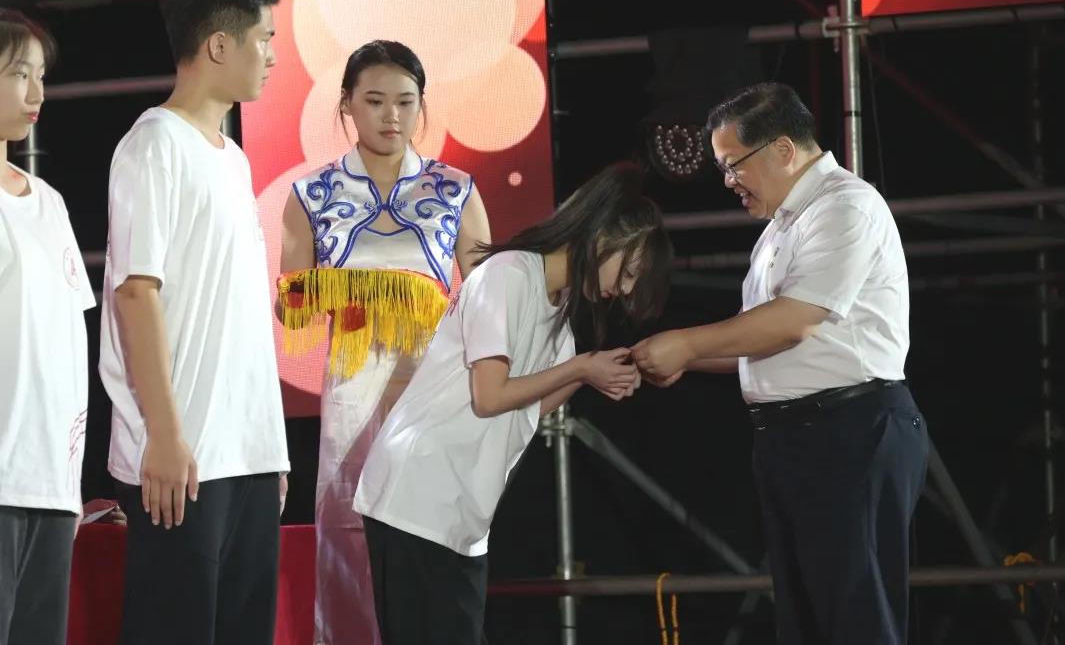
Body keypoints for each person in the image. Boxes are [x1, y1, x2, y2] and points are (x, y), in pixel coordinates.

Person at [632, 82, 928, 645]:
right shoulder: (779, 230)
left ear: (784, 149)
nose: (728, 181)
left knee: (853, 617)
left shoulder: (844, 206)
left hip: (850, 428)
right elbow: (762, 338)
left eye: (732, 164)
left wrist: (688, 344)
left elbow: (795, 320)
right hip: (795, 438)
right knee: (807, 618)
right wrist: (685, 361)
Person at [354, 162, 673, 645]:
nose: (624, 290)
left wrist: (597, 371)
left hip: (461, 512)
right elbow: (491, 396)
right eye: (627, 272)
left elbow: (529, 409)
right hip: (417, 495)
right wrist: (581, 368)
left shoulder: (561, 319)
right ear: (600, 234)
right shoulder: (507, 275)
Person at [98, 0, 291, 645]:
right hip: (182, 458)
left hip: (246, 455)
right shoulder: (154, 145)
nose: (272, 55)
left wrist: (269, 446)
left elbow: (238, 316)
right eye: (264, 39)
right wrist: (164, 433)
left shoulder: (232, 158)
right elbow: (136, 292)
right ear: (218, 45)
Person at [277, 39, 491, 644]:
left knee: (437, 534)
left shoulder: (455, 188)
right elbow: (290, 305)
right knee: (350, 530)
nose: (391, 116)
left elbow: (489, 299)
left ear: (422, 105)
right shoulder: (312, 194)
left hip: (436, 389)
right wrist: (371, 290)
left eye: (405, 101)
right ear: (346, 104)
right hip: (354, 390)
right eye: (374, 101)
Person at [0, 9, 94, 645]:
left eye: (41, 75)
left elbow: (67, 336)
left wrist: (70, 478)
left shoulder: (50, 202)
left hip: (51, 483)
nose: (37, 92)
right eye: (18, 74)